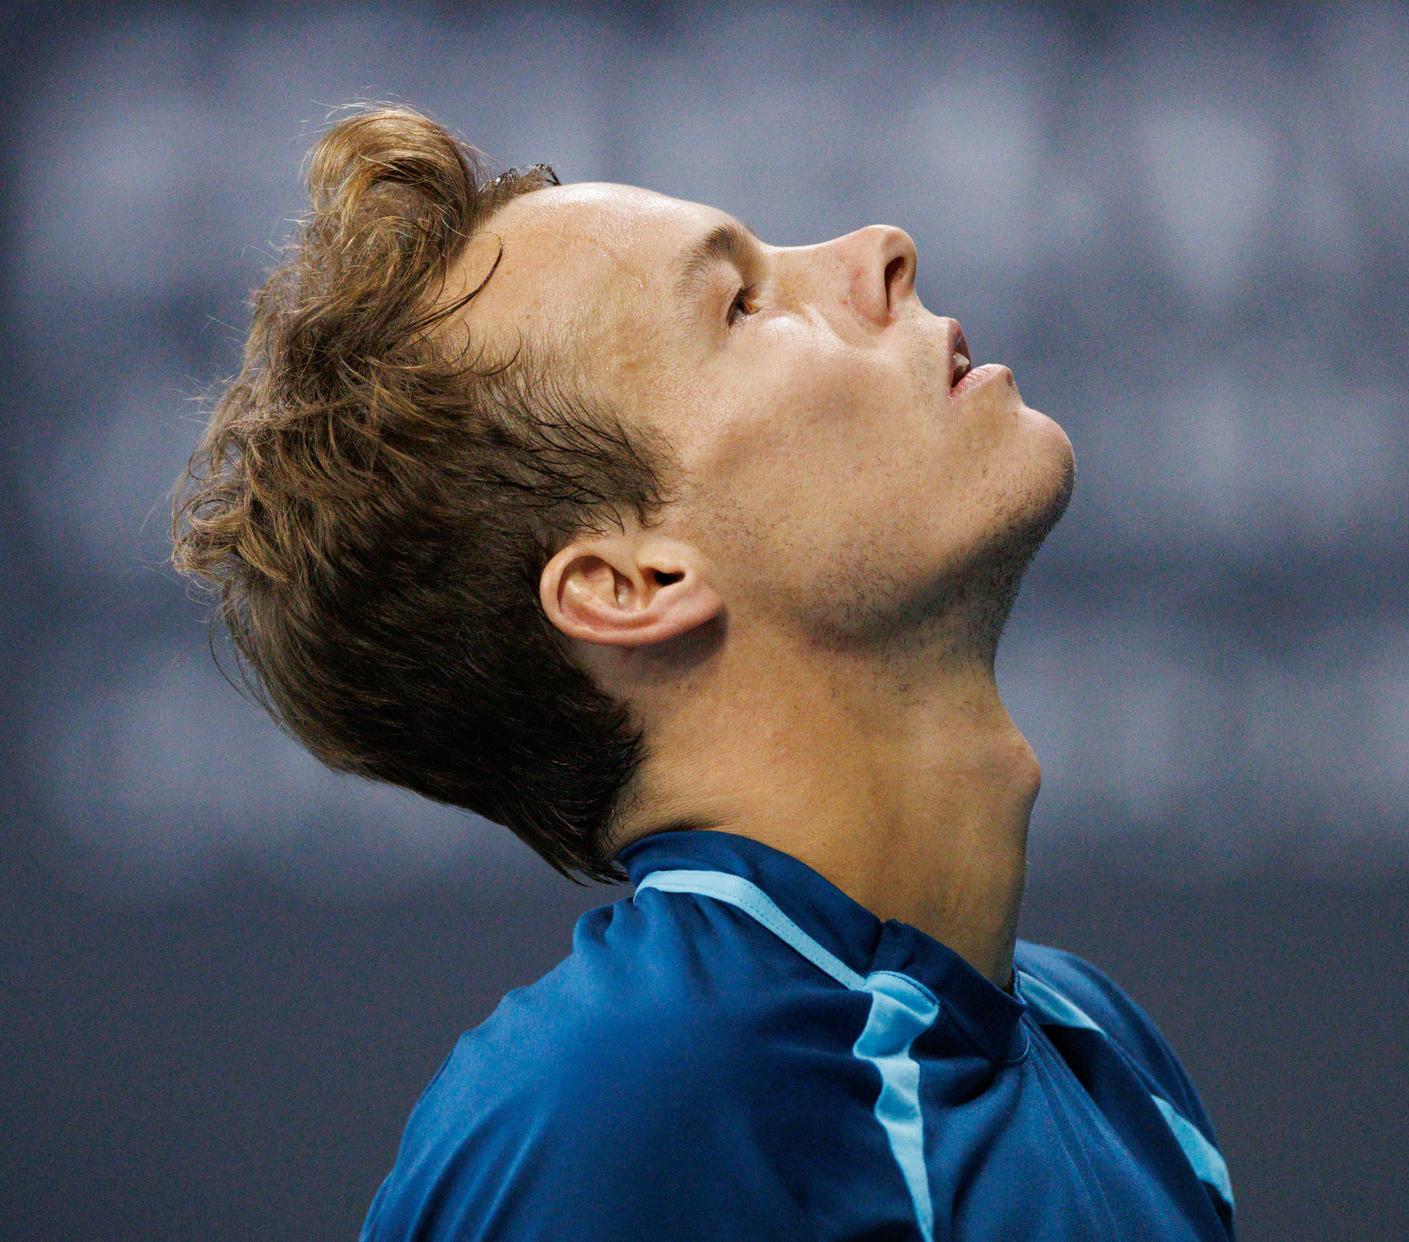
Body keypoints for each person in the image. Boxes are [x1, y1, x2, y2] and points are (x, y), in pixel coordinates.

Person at [172, 103, 1235, 1241]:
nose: (882, 249)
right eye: (741, 304)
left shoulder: (1102, 1048)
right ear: (631, 583)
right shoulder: (614, 1125)